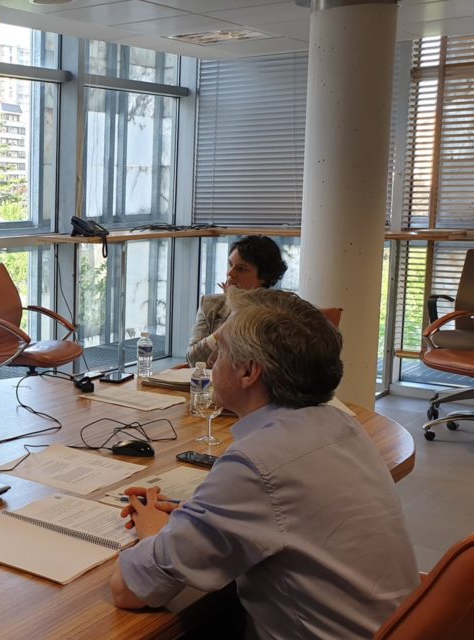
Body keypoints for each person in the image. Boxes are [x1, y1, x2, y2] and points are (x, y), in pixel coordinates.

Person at [110, 288, 419, 639]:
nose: (211, 363)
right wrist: (194, 518)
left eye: (221, 350)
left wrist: (156, 530)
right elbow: (286, 514)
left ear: (249, 372)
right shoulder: (343, 424)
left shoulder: (258, 463)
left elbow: (129, 590)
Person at [186, 235, 287, 366]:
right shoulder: (211, 305)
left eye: (241, 269)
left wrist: (240, 311)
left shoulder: (278, 312)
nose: (230, 273)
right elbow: (193, 360)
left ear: (264, 277)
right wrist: (232, 318)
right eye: (230, 265)